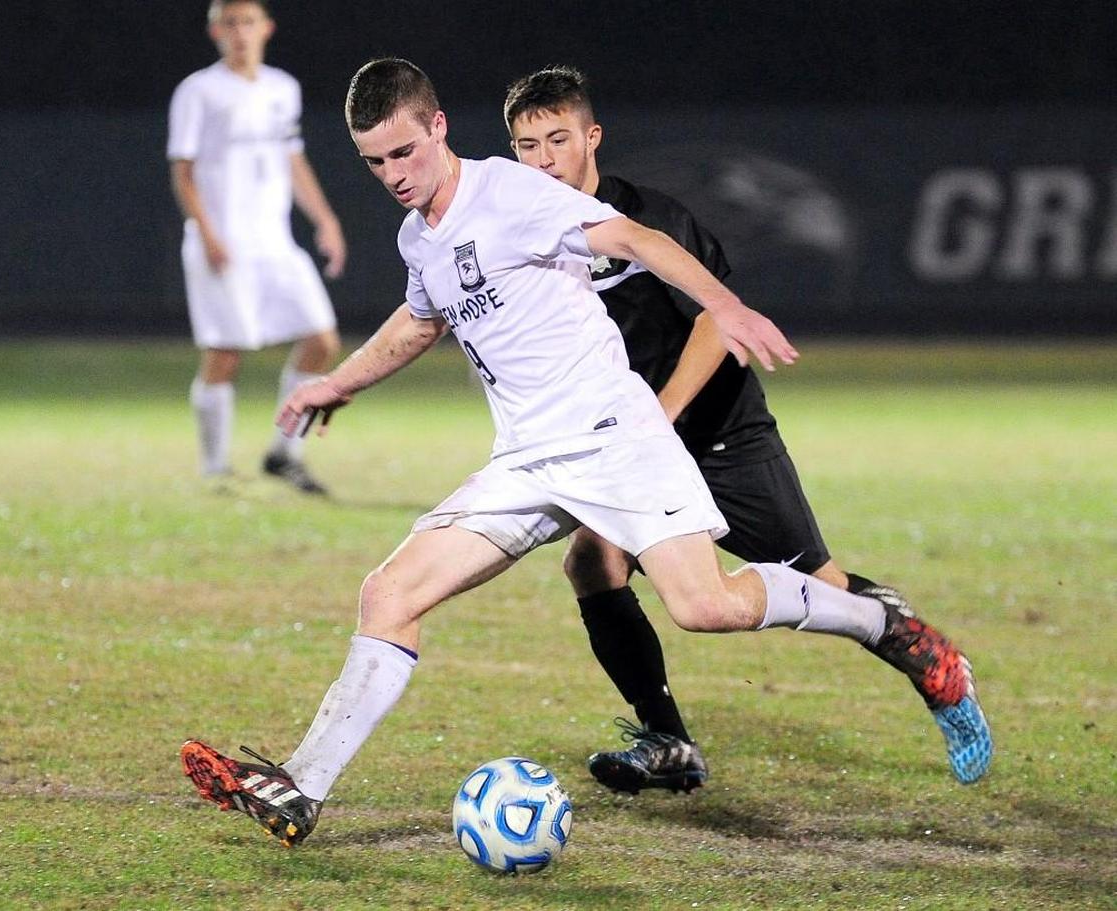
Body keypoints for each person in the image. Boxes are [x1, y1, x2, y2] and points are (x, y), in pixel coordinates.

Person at [180, 58, 991, 849]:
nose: (392, 173)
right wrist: (341, 382)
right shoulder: (418, 235)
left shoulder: (509, 191)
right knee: (389, 593)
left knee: (703, 606)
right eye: (373, 161)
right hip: (529, 459)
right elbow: (420, 319)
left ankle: (880, 622)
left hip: (613, 437)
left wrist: (726, 303)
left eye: (404, 151)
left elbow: (632, 234)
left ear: (438, 126)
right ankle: (301, 785)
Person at [502, 66, 985, 795]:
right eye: (526, 145)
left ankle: (933, 666)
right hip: (629, 449)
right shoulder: (526, 235)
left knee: (817, 580)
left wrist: (658, 416)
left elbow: (717, 323)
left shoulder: (647, 219)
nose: (542, 161)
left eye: (557, 140)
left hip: (718, 431)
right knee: (591, 562)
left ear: (592, 138)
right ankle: (668, 742)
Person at [167, 0, 346, 495]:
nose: (239, 32)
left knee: (322, 340)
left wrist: (326, 219)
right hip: (223, 242)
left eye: (248, 22)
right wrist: (207, 233)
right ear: (214, 31)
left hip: (276, 243)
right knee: (225, 353)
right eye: (229, 23)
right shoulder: (199, 91)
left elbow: (293, 160)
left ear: (266, 28)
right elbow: (182, 170)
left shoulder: (282, 88)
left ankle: (284, 453)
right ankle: (214, 468)